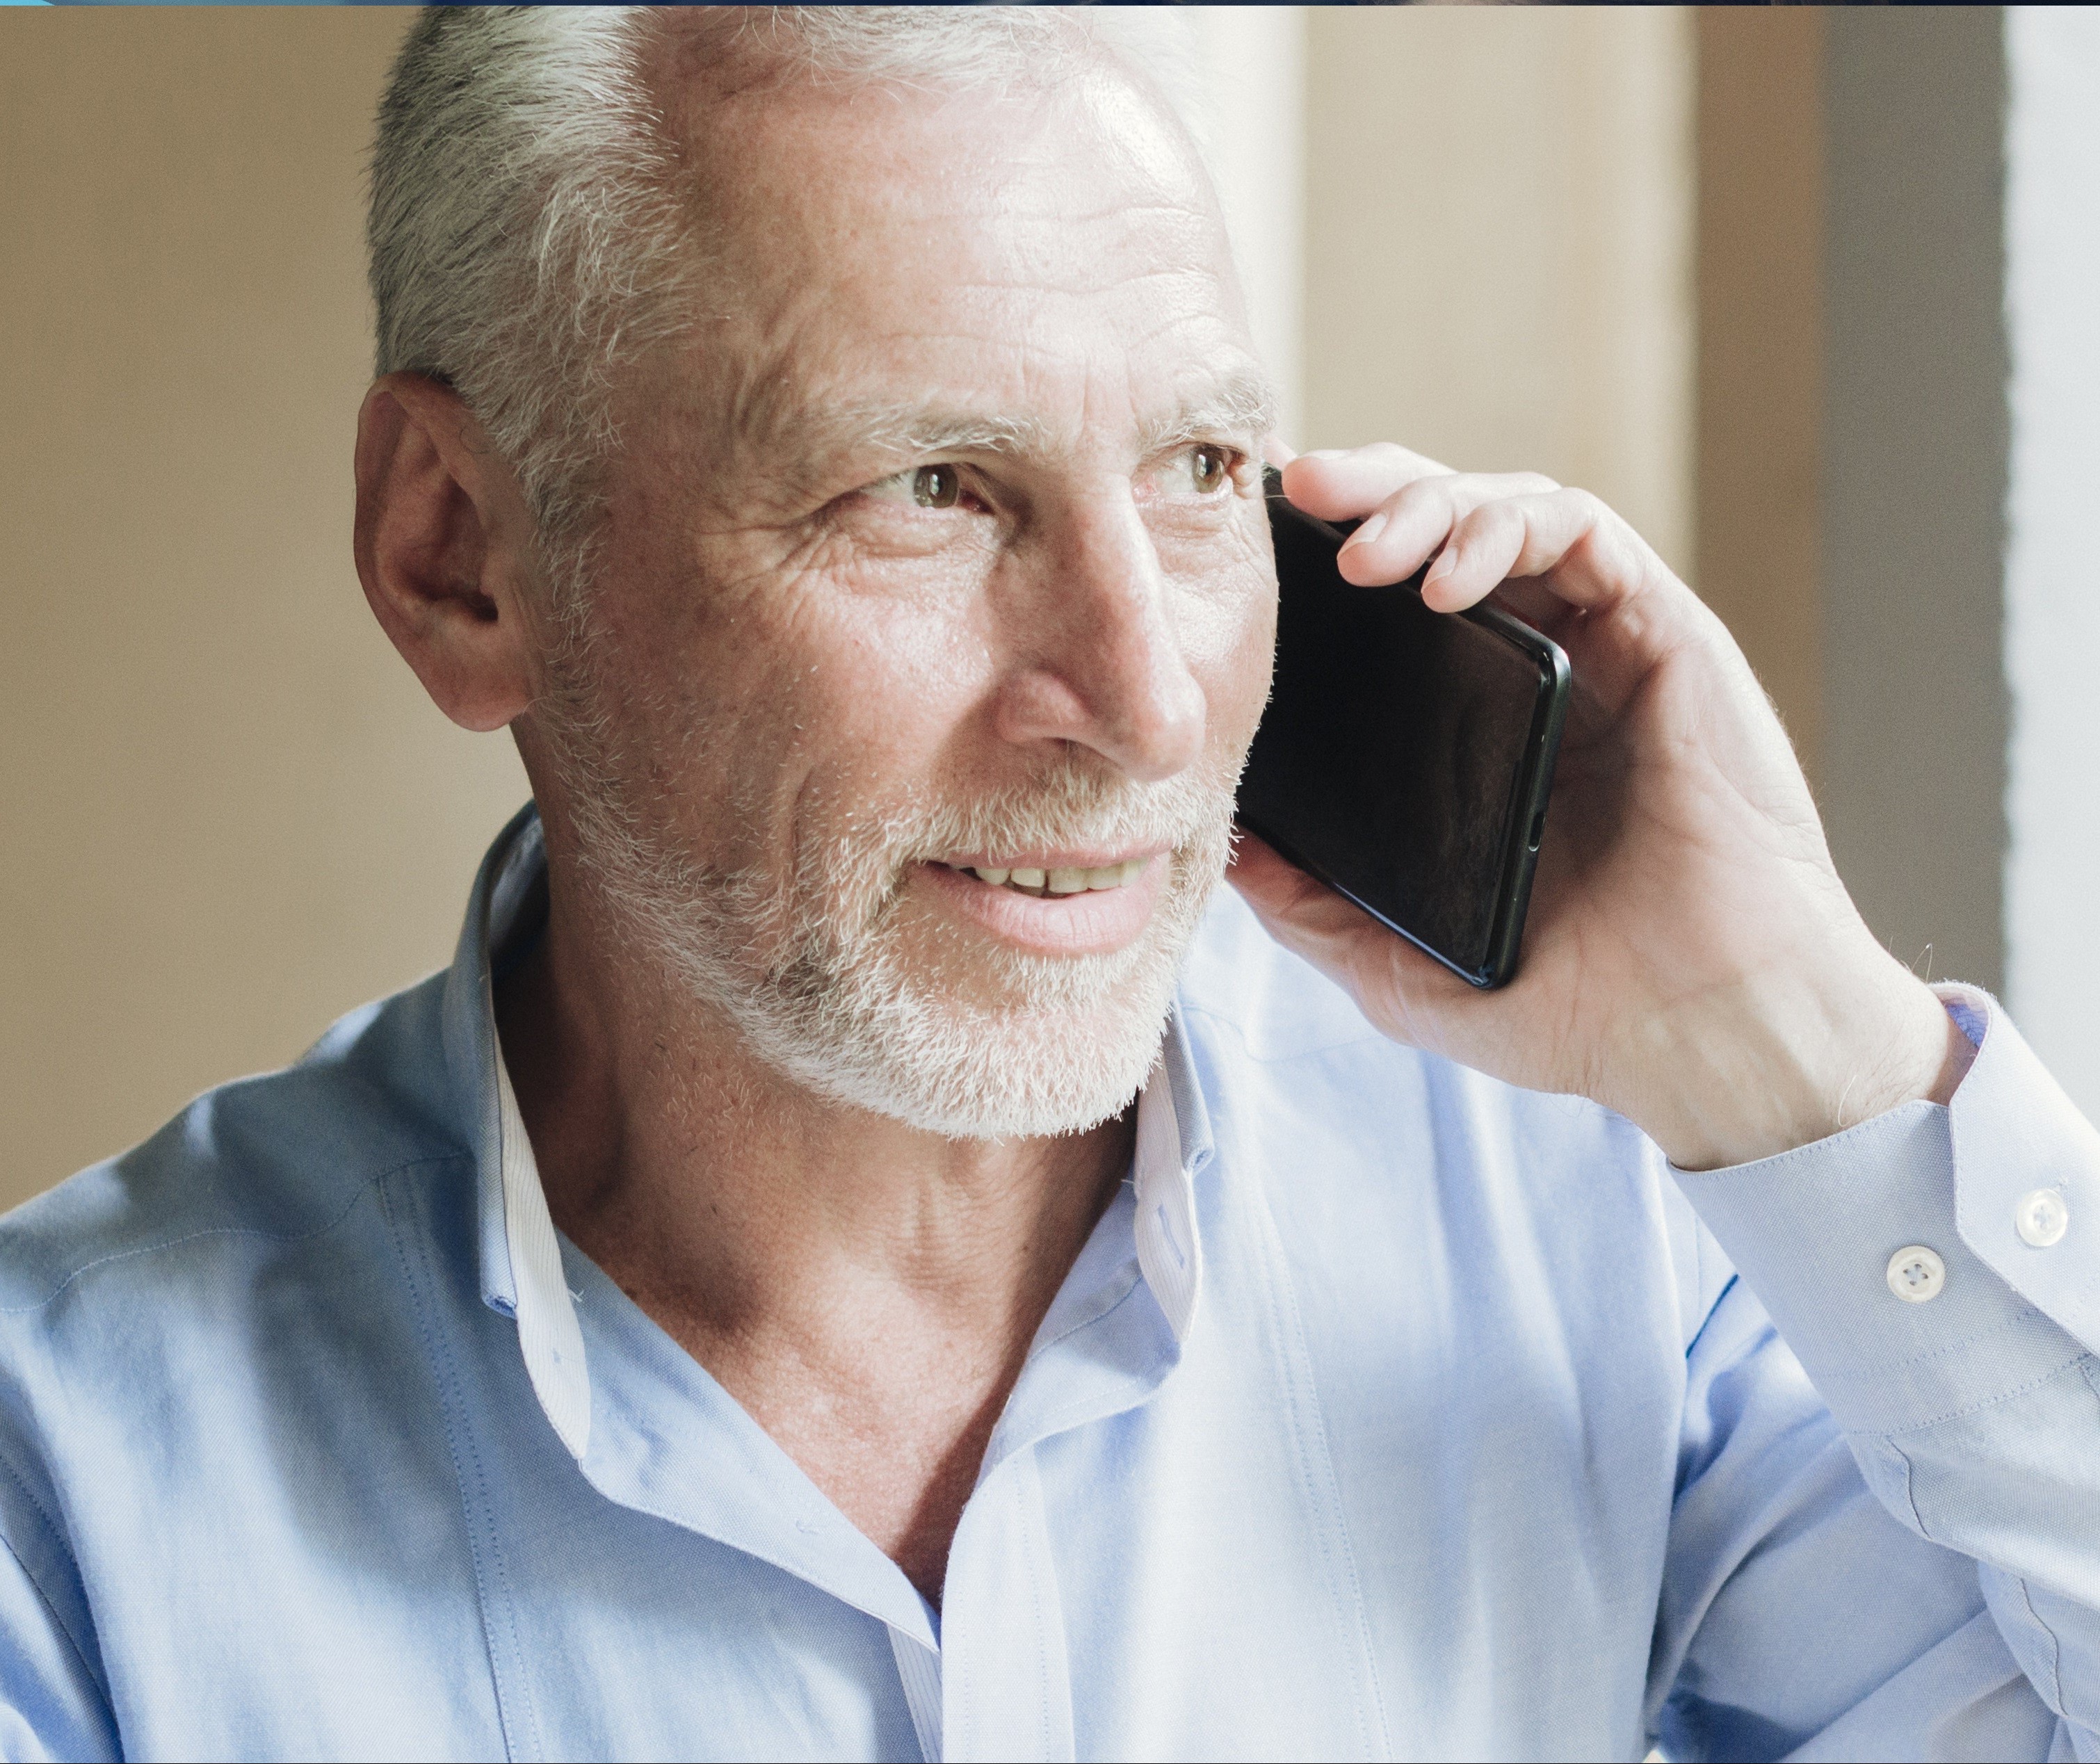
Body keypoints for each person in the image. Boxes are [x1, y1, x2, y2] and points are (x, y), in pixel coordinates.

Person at [4, 8, 2094, 1759]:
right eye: (929, 486)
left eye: (1195, 473)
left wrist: (1802, 1042)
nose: (1151, 699)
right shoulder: (73, 1482)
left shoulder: (1579, 1223)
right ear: (456, 552)